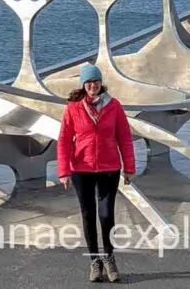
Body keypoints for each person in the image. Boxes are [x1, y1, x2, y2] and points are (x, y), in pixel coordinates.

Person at [57, 63, 136, 283]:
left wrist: (129, 167)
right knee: (87, 214)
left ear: (101, 83)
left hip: (109, 168)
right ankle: (95, 261)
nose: (93, 85)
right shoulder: (73, 108)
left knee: (106, 214)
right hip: (81, 169)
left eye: (96, 81)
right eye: (89, 82)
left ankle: (109, 258)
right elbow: (64, 140)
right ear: (83, 85)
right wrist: (63, 171)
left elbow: (124, 138)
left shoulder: (114, 106)